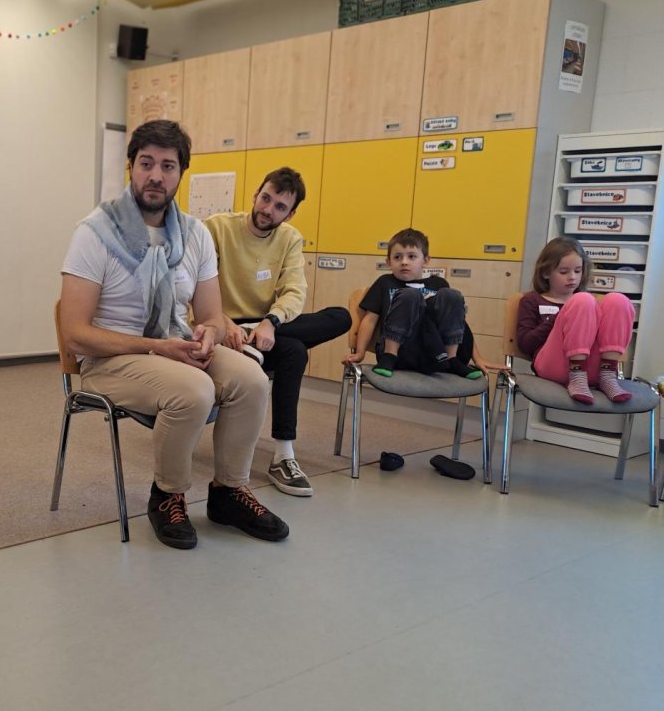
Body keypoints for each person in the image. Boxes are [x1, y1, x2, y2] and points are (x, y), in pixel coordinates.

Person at [60, 120, 288, 550]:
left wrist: (208, 335)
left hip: (175, 345)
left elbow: (213, 316)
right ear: (130, 167)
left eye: (167, 166)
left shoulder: (194, 234)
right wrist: (157, 346)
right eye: (146, 163)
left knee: (253, 380)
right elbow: (75, 335)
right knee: (194, 391)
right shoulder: (94, 232)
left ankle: (228, 493)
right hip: (109, 359)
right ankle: (168, 495)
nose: (156, 176)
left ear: (181, 172)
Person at [205, 167, 351, 497]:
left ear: (291, 213)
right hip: (222, 326)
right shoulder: (217, 228)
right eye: (265, 198)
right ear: (256, 194)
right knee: (294, 351)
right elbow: (197, 286)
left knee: (340, 317)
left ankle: (253, 341)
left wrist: (270, 322)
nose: (268, 209)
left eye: (280, 206)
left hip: (264, 330)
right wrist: (225, 323)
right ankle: (284, 455)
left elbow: (294, 291)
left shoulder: (289, 239)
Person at [343, 228, 482, 379]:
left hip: (435, 352)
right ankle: (390, 355)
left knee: (452, 295)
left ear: (426, 260)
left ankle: (452, 358)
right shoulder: (385, 282)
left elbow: (458, 322)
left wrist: (478, 359)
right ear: (388, 262)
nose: (404, 262)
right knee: (410, 295)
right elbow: (369, 320)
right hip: (400, 352)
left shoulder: (439, 284)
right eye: (397, 257)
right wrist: (360, 352)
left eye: (411, 256)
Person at [516, 237, 635, 405]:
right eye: (564, 272)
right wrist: (562, 317)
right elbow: (525, 345)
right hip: (553, 367)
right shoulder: (532, 300)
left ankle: (608, 375)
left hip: (593, 371)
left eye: (578, 271)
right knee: (582, 300)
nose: (572, 277)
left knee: (618, 300)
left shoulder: (589, 303)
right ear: (546, 272)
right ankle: (577, 375)